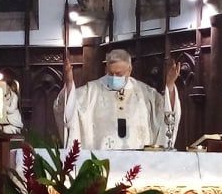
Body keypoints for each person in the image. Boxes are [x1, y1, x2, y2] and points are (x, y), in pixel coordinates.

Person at [53, 49, 181, 150]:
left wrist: (169, 85)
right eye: (110, 73)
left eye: (119, 74)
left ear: (130, 70)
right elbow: (68, 109)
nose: (114, 77)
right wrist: (69, 83)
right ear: (106, 69)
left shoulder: (145, 93)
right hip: (101, 160)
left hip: (139, 160)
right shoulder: (90, 91)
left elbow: (165, 113)